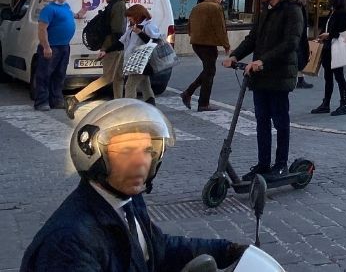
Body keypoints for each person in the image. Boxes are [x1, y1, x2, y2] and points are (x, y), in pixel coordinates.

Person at [21, 99, 248, 271]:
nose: (141, 162)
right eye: (127, 151)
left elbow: (156, 249)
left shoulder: (126, 200)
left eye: (148, 151)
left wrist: (227, 250)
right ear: (95, 157)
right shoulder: (70, 241)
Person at [223, 0, 305, 177]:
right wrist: (235, 55)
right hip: (260, 76)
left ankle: (281, 163)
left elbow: (290, 43)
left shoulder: (292, 10)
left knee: (280, 122)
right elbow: (253, 38)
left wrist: (263, 61)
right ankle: (263, 164)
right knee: (261, 121)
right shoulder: (264, 11)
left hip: (280, 74)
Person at [69, 0, 131, 111]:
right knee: (107, 78)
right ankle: (75, 98)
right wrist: (105, 48)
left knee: (119, 77)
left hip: (117, 46)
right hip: (113, 46)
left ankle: (118, 104)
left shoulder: (115, 3)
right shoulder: (119, 5)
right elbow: (117, 30)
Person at [180, 0, 230, 111]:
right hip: (208, 44)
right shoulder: (215, 7)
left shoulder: (197, 7)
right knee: (210, 72)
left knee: (208, 71)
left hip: (196, 43)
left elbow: (189, 25)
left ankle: (189, 93)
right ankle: (202, 103)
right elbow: (220, 28)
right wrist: (226, 44)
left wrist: (193, 36)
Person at [310, 0, 346, 117]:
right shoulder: (332, 12)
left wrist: (329, 35)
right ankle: (326, 103)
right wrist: (320, 37)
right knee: (328, 76)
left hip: (337, 48)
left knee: (339, 76)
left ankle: (344, 104)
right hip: (328, 48)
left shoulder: (343, 13)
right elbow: (326, 27)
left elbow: (343, 31)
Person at [33, 0, 74, 111]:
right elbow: (42, 29)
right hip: (52, 47)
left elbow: (68, 18)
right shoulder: (49, 9)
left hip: (64, 47)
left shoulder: (66, 7)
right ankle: (41, 102)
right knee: (44, 75)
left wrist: (81, 13)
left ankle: (56, 101)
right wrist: (46, 47)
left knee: (59, 75)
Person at [121, 5, 162, 104]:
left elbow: (154, 42)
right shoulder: (133, 27)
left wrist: (139, 32)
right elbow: (122, 41)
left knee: (130, 85)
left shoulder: (148, 26)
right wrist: (106, 50)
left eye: (130, 16)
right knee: (145, 86)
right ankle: (151, 107)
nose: (128, 19)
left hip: (144, 62)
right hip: (137, 61)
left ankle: (130, 108)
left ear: (137, 15)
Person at [293, 0, 314, 89]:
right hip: (299, 35)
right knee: (301, 56)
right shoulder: (299, 5)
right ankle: (300, 80)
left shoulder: (299, 4)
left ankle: (300, 79)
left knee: (300, 56)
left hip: (300, 34)